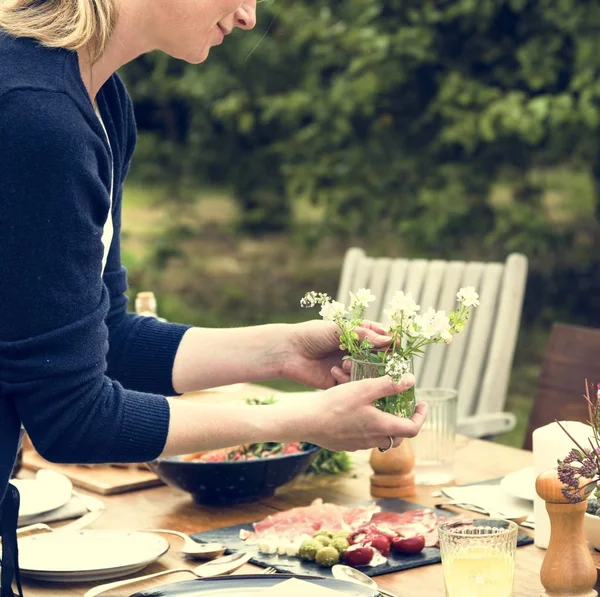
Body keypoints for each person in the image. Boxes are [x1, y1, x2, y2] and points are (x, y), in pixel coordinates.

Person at [0, 2, 427, 594]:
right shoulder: (35, 115)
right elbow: (72, 418)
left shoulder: (100, 102)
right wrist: (303, 421)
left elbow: (107, 338)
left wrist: (280, 353)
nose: (249, 15)